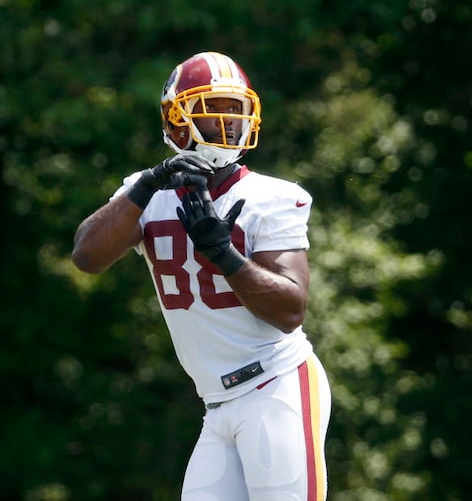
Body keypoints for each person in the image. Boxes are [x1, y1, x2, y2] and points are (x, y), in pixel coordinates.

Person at [72, 51, 331, 501]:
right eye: (213, 107)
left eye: (236, 108)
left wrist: (224, 254)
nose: (229, 120)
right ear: (176, 120)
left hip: (276, 384)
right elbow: (87, 257)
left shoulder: (273, 196)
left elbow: (290, 309)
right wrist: (148, 183)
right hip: (216, 404)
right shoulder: (146, 191)